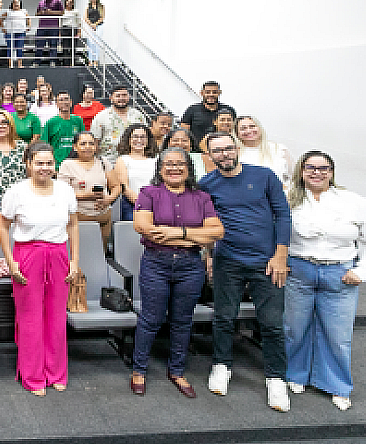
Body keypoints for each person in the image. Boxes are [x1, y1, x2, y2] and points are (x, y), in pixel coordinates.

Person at [284, 151, 366, 411]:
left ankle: (337, 385)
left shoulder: (356, 203)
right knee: (295, 329)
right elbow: (275, 235)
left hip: (339, 275)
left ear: (332, 171)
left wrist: (362, 271)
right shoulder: (288, 199)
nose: (317, 173)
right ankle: (295, 374)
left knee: (337, 335)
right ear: (301, 170)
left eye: (323, 168)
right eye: (310, 168)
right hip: (299, 271)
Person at [200, 133, 292, 412]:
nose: (224, 154)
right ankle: (221, 365)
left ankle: (276, 378)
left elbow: (283, 215)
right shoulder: (206, 184)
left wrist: (280, 255)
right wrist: (208, 255)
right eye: (217, 151)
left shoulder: (264, 176)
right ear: (210, 155)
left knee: (272, 323)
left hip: (267, 262)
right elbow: (205, 223)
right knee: (224, 317)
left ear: (237, 148)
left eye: (228, 148)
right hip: (228, 261)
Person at [130, 148, 224, 398]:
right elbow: (144, 227)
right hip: (156, 263)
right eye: (168, 164)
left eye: (180, 164)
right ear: (160, 169)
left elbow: (217, 232)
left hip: (190, 266)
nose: (174, 168)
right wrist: (195, 237)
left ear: (188, 168)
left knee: (182, 321)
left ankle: (177, 371)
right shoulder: (149, 193)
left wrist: (176, 233)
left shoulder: (202, 197)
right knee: (151, 319)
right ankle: (139, 370)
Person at [0, 142, 79, 395]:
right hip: (28, 255)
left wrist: (75, 260)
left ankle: (56, 372)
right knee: (30, 318)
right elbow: (3, 226)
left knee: (56, 317)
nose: (44, 167)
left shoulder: (65, 191)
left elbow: (73, 225)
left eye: (49, 163)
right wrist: (10, 261)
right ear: (29, 164)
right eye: (39, 163)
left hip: (58, 254)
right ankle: (32, 375)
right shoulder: (16, 192)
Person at [58, 132, 119, 252]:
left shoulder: (103, 162)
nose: (87, 147)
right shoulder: (67, 165)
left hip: (103, 218)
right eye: (83, 144)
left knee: (101, 252)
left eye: (91, 143)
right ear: (75, 147)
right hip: (78, 218)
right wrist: (87, 196)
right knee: (80, 253)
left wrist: (109, 199)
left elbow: (116, 186)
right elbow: (62, 193)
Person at [114, 124, 159, 222]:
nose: (139, 140)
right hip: (132, 205)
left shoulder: (156, 160)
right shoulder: (122, 160)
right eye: (135, 137)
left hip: (156, 205)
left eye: (143, 137)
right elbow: (124, 187)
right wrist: (143, 204)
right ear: (128, 139)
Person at [90, 86, 146, 164]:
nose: (121, 98)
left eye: (124, 95)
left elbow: (145, 137)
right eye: (118, 96)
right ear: (111, 98)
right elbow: (95, 141)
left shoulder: (138, 116)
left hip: (134, 161)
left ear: (128, 97)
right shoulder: (101, 117)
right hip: (109, 161)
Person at [235, 116, 293, 188]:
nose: (249, 131)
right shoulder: (235, 153)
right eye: (243, 128)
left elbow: (294, 177)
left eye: (252, 126)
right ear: (237, 133)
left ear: (259, 128)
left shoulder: (279, 149)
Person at [180, 81, 236, 153]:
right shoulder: (191, 110)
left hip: (223, 151)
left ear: (219, 93)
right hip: (196, 152)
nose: (211, 94)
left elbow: (234, 130)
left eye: (214, 92)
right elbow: (183, 133)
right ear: (202, 93)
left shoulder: (229, 110)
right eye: (208, 92)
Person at [41, 90, 85, 169]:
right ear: (57, 104)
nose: (64, 102)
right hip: (58, 165)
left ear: (71, 102)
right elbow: (44, 145)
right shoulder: (51, 122)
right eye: (61, 100)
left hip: (76, 164)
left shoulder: (78, 120)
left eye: (66, 99)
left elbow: (84, 141)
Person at [36, 0, 64, 66]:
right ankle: (37, 61)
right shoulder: (41, 2)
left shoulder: (57, 1)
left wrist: (51, 12)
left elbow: (62, 12)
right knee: (39, 45)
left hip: (53, 27)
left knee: (53, 44)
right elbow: (36, 13)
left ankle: (52, 61)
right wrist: (41, 13)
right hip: (42, 27)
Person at [2, 0, 29, 68]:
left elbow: (28, 18)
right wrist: (3, 28)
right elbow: (1, 18)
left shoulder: (23, 11)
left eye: (18, 3)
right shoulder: (8, 12)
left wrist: (28, 26)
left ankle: (20, 64)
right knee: (10, 48)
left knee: (20, 48)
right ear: (12, 4)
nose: (16, 4)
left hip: (20, 32)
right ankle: (10, 64)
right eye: (15, 3)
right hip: (10, 32)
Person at [62, 0, 83, 65]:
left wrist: (79, 32)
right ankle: (66, 63)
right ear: (65, 3)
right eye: (68, 2)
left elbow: (79, 22)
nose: (69, 3)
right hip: (65, 29)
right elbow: (60, 22)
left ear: (73, 3)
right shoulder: (63, 12)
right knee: (65, 47)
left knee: (73, 47)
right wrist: (59, 32)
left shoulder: (76, 11)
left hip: (73, 29)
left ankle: (72, 63)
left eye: (71, 2)